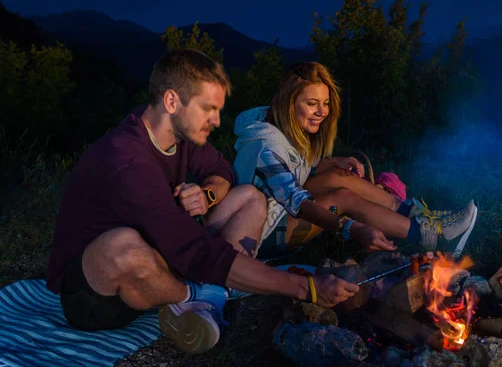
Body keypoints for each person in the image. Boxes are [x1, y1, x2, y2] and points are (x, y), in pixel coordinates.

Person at [46, 50, 359, 355]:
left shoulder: (178, 135)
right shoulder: (127, 160)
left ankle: (208, 295)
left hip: (161, 256)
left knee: (250, 196)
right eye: (208, 109)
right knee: (122, 245)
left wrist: (209, 192)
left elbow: (221, 170)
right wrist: (306, 288)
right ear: (171, 101)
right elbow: (191, 248)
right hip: (97, 297)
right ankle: (196, 295)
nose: (217, 121)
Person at [233, 61, 478, 259]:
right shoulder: (264, 147)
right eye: (312, 104)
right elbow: (297, 200)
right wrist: (351, 227)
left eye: (325, 103)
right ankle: (429, 236)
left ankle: (422, 217)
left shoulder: (274, 122)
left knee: (339, 177)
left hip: (280, 211)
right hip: (262, 235)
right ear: (289, 103)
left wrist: (325, 163)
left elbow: (290, 171)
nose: (322, 112)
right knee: (343, 196)